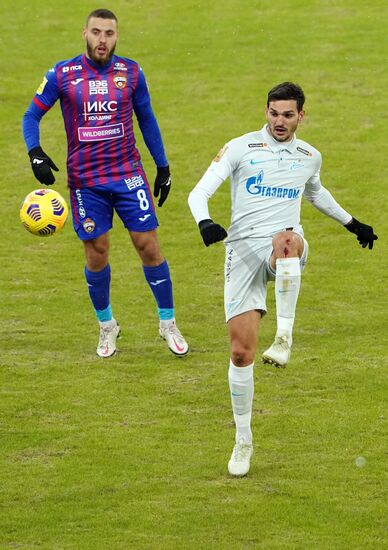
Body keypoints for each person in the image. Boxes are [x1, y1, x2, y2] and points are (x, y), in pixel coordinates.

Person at [188, 82, 377, 477]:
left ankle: (285, 337)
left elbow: (316, 193)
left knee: (287, 240)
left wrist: (352, 224)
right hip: (241, 252)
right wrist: (204, 221)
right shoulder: (240, 147)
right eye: (274, 113)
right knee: (241, 353)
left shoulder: (309, 156)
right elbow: (199, 192)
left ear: (301, 116)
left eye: (288, 115)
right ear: (266, 111)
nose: (279, 121)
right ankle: (243, 440)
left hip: (283, 249)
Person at [22, 8, 188, 358]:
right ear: (84, 33)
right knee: (96, 253)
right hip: (86, 181)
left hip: (128, 174)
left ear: (117, 36)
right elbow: (31, 114)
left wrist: (163, 166)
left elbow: (147, 118)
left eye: (109, 33)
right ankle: (106, 326)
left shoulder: (131, 72)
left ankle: (167, 323)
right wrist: (35, 151)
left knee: (148, 245)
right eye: (96, 32)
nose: (102, 40)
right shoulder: (62, 74)